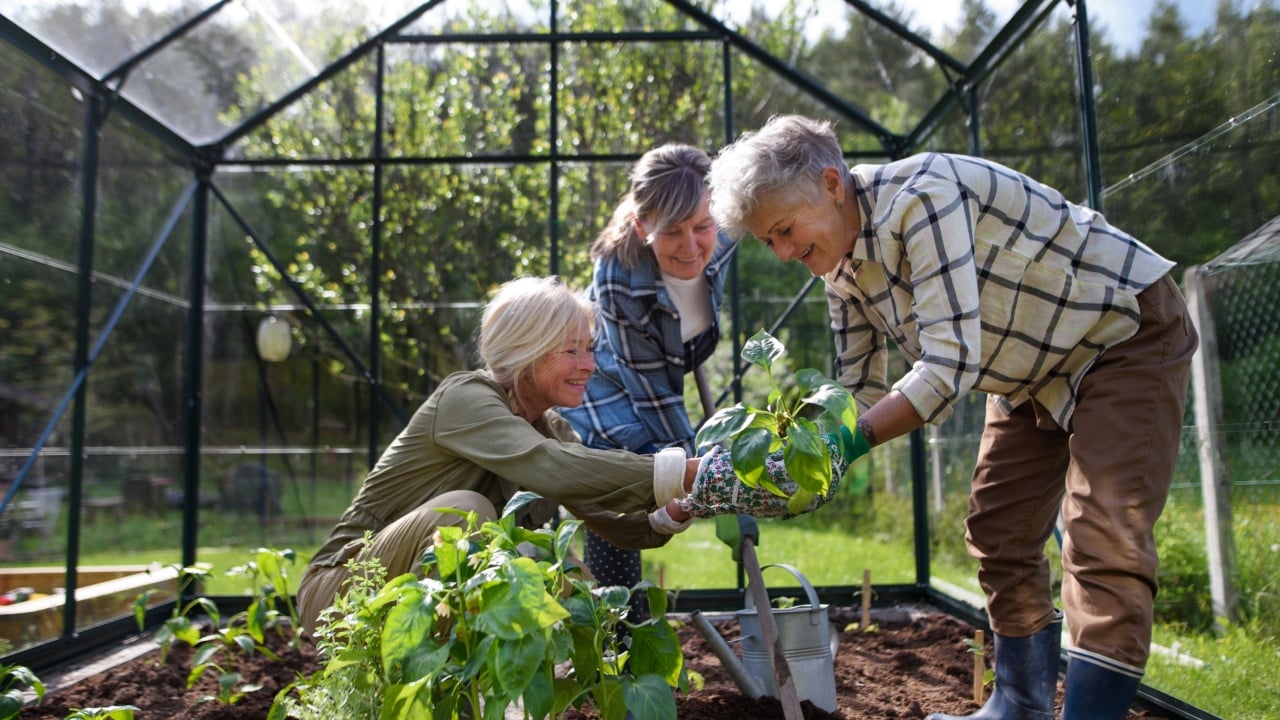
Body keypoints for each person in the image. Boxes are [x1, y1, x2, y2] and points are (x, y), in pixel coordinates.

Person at [706, 114, 1198, 720]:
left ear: (832, 185)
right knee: (1000, 531)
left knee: (1103, 537)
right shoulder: (837, 266)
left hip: (1119, 333)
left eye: (784, 229)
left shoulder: (922, 197)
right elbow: (860, 391)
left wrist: (845, 448)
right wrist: (802, 456)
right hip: (1027, 372)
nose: (782, 253)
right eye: (767, 241)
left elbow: (946, 369)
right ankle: (1020, 705)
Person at [296, 276, 700, 634]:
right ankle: (433, 688)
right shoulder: (464, 398)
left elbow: (606, 514)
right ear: (528, 350)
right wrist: (678, 470)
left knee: (569, 580)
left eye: (590, 349)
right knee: (464, 513)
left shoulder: (554, 430)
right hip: (342, 591)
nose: (589, 365)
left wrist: (679, 506)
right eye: (571, 350)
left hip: (417, 589)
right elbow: (551, 466)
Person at [559, 143, 736, 623]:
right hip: (607, 383)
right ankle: (622, 635)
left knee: (667, 472)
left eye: (703, 226)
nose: (692, 246)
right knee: (622, 487)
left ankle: (625, 634)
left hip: (674, 358)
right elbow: (652, 395)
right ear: (642, 227)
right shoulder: (619, 273)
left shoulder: (726, 226)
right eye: (672, 231)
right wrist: (702, 476)